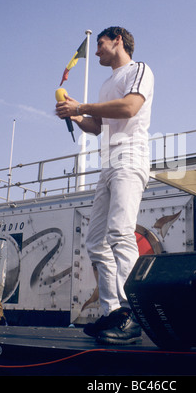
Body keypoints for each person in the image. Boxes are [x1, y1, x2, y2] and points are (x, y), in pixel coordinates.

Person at [56, 26, 154, 344]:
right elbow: (96, 127)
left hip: (130, 158)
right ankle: (113, 312)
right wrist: (74, 115)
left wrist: (81, 107)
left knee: (120, 233)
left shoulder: (139, 70)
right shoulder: (103, 85)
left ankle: (132, 315)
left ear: (118, 41)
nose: (97, 51)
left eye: (100, 44)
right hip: (108, 165)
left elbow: (129, 108)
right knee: (96, 241)